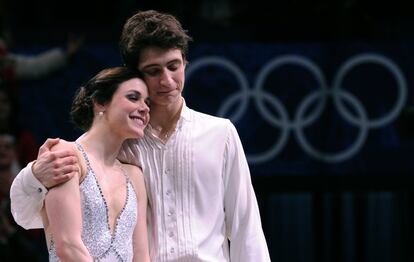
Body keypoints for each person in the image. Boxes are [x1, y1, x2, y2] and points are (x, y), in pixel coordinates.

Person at [11, 9, 271, 261]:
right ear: (135, 73)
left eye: (173, 66)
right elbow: (27, 217)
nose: (167, 80)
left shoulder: (220, 134)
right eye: (154, 70)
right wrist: (34, 176)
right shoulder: (119, 141)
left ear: (185, 63)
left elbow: (245, 228)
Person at [41, 67, 151, 261]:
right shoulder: (66, 154)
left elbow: (141, 256)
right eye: (134, 98)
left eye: (147, 101)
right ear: (100, 103)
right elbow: (68, 246)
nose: (145, 108)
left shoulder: (134, 175)